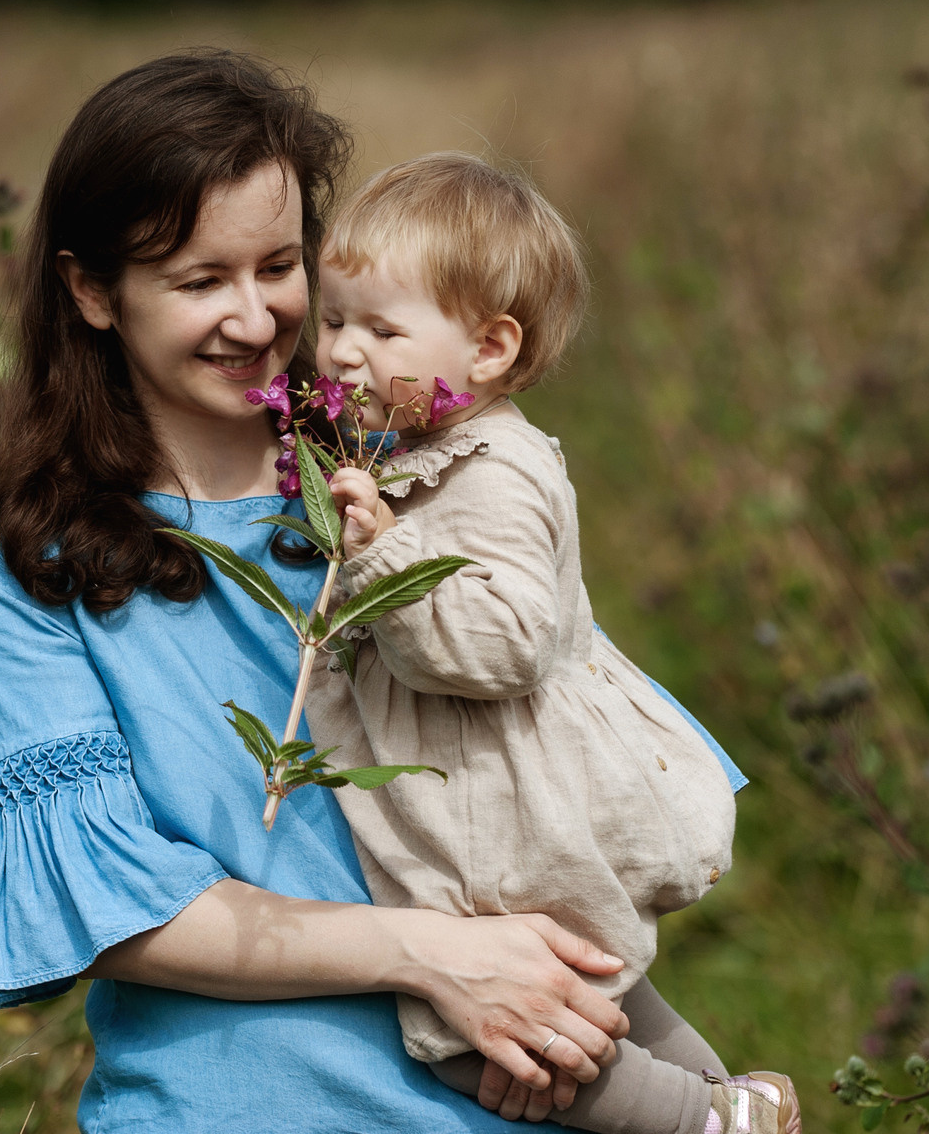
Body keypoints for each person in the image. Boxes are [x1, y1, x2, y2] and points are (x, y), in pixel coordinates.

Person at [0, 51, 630, 1131]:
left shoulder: (404, 472)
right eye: (196, 281)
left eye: (278, 266)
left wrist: (604, 1024)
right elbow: (114, 907)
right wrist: (432, 958)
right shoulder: (31, 550)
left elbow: (551, 764)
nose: (256, 317)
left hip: (505, 1084)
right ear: (90, 291)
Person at [309, 153, 798, 1134]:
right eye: (332, 321)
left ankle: (709, 1124)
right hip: (494, 803)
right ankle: (735, 1098)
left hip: (505, 818)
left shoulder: (498, 473)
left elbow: (501, 646)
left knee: (483, 1041)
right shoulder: (418, 450)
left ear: (487, 350)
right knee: (599, 987)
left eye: (380, 328)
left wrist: (379, 550)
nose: (341, 354)